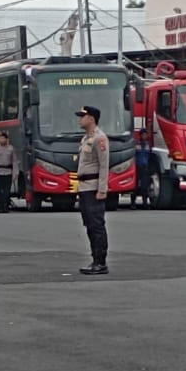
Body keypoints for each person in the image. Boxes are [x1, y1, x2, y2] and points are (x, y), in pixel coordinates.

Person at [75, 105, 110, 275]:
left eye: (83, 116)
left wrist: (102, 189)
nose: (80, 119)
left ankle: (100, 262)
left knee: (97, 225)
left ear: (91, 118)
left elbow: (104, 165)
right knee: (89, 224)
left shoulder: (99, 138)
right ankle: (94, 259)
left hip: (93, 187)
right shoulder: (85, 139)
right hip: (84, 187)